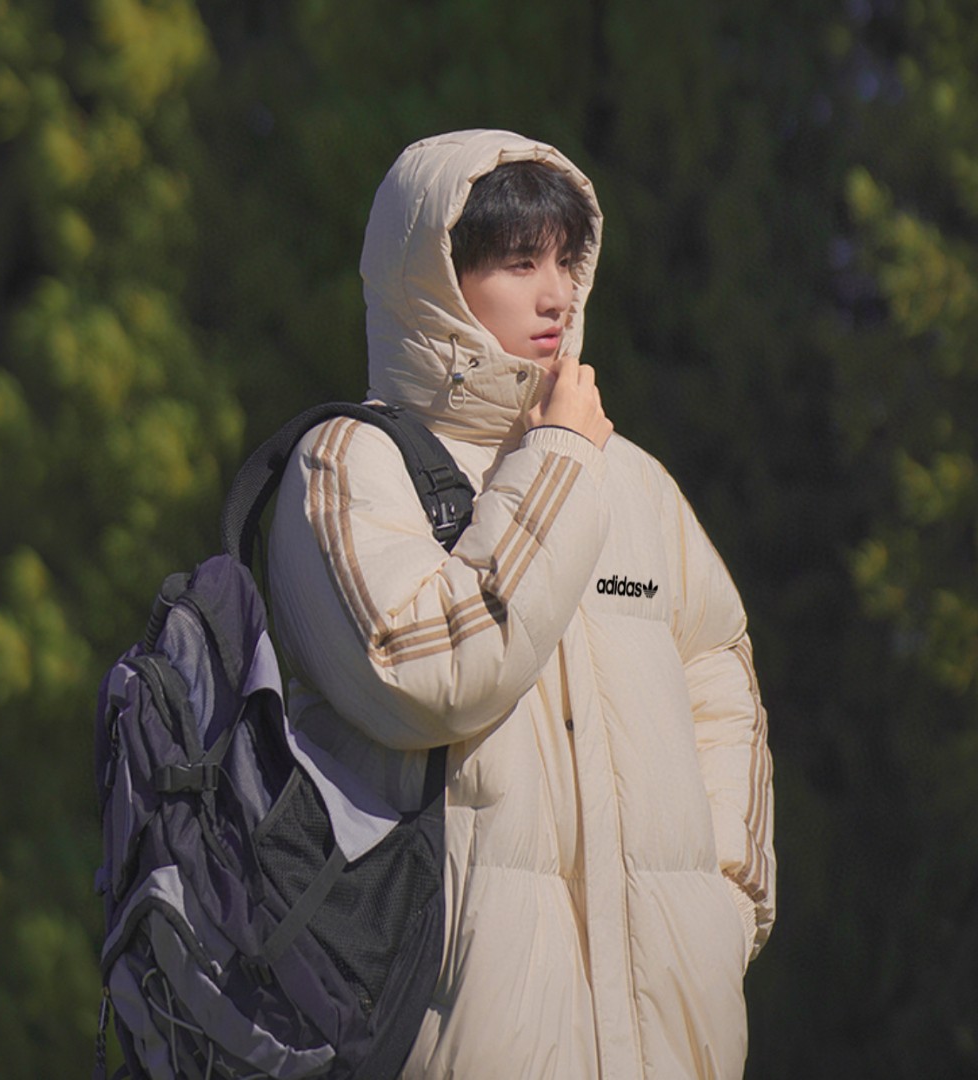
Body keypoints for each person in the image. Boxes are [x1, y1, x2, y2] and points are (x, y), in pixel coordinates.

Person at [268, 129, 776, 1079]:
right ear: (433, 284)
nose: (557, 295)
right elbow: (426, 672)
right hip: (455, 1034)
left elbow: (720, 669)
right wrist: (557, 459)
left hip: (668, 1038)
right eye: (517, 263)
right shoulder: (347, 465)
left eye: (564, 261)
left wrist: (721, 898)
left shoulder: (636, 482)